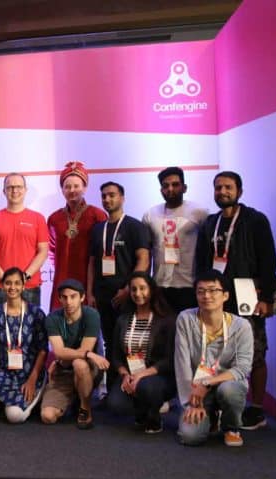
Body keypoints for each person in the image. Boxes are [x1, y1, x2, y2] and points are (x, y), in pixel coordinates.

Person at [195, 171, 276, 431]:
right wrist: (201, 295)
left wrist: (267, 298)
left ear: (239, 191)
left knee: (256, 354)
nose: (222, 192)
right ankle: (219, 408)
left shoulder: (255, 220)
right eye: (218, 188)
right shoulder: (210, 223)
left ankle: (257, 409)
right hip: (215, 300)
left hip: (247, 298)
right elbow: (201, 263)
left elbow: (269, 260)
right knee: (215, 354)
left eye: (228, 187)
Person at [175, 270, 254, 447]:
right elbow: (182, 364)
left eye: (212, 290)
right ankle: (210, 416)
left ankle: (231, 427)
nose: (206, 296)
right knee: (190, 437)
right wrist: (190, 403)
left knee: (229, 390)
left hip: (226, 384)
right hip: (196, 390)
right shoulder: (185, 319)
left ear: (225, 295)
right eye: (201, 291)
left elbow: (242, 368)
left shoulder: (242, 326)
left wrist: (208, 383)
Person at [87, 182, 150, 389]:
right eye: (104, 196)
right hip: (102, 296)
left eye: (112, 195)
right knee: (109, 342)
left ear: (122, 198)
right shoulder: (98, 229)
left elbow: (143, 259)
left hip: (128, 296)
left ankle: (137, 385)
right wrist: (90, 293)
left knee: (129, 341)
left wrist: (129, 289)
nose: (107, 199)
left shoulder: (134, 226)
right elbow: (92, 263)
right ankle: (113, 388)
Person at [107, 272, 176, 434]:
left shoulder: (166, 320)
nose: (138, 293)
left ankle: (153, 416)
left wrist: (141, 375)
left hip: (157, 375)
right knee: (115, 404)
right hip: (130, 374)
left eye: (142, 288)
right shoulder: (123, 319)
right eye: (133, 289)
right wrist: (125, 375)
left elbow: (169, 360)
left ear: (151, 290)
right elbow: (116, 356)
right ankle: (141, 411)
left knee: (147, 388)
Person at [0, 267, 48, 423]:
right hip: (5, 374)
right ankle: (9, 401)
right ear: (2, 286)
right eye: (8, 283)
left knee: (14, 417)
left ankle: (37, 394)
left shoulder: (36, 314)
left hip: (30, 375)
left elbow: (43, 350)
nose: (12, 287)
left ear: (23, 286)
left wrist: (32, 379)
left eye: (17, 283)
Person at [41, 279, 109, 429]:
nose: (69, 302)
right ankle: (72, 399)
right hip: (63, 370)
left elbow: (85, 349)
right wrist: (90, 354)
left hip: (87, 369)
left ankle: (85, 408)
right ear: (59, 299)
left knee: (79, 364)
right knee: (47, 416)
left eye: (73, 297)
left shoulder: (91, 315)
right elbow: (59, 352)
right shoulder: (52, 318)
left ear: (82, 297)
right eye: (64, 297)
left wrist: (85, 355)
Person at [142, 167, 208, 312]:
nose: (170, 189)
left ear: (184, 188)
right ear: (161, 190)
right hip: (160, 285)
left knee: (189, 326)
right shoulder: (150, 215)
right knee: (162, 326)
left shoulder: (200, 213)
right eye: (165, 186)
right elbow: (146, 253)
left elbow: (208, 249)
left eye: (175, 184)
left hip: (190, 285)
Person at [47, 161, 107, 312]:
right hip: (62, 277)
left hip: (89, 280)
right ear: (62, 190)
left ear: (85, 188)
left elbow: (103, 251)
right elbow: (51, 250)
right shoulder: (54, 218)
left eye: (76, 186)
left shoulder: (97, 215)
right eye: (67, 187)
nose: (72, 190)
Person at [0, 173, 48, 307]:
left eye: (18, 187)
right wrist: (6, 279)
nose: (14, 190)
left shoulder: (38, 218)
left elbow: (43, 252)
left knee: (31, 322)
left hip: (29, 286)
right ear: (4, 191)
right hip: (1, 288)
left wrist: (25, 277)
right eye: (10, 187)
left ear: (25, 190)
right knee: (1, 322)